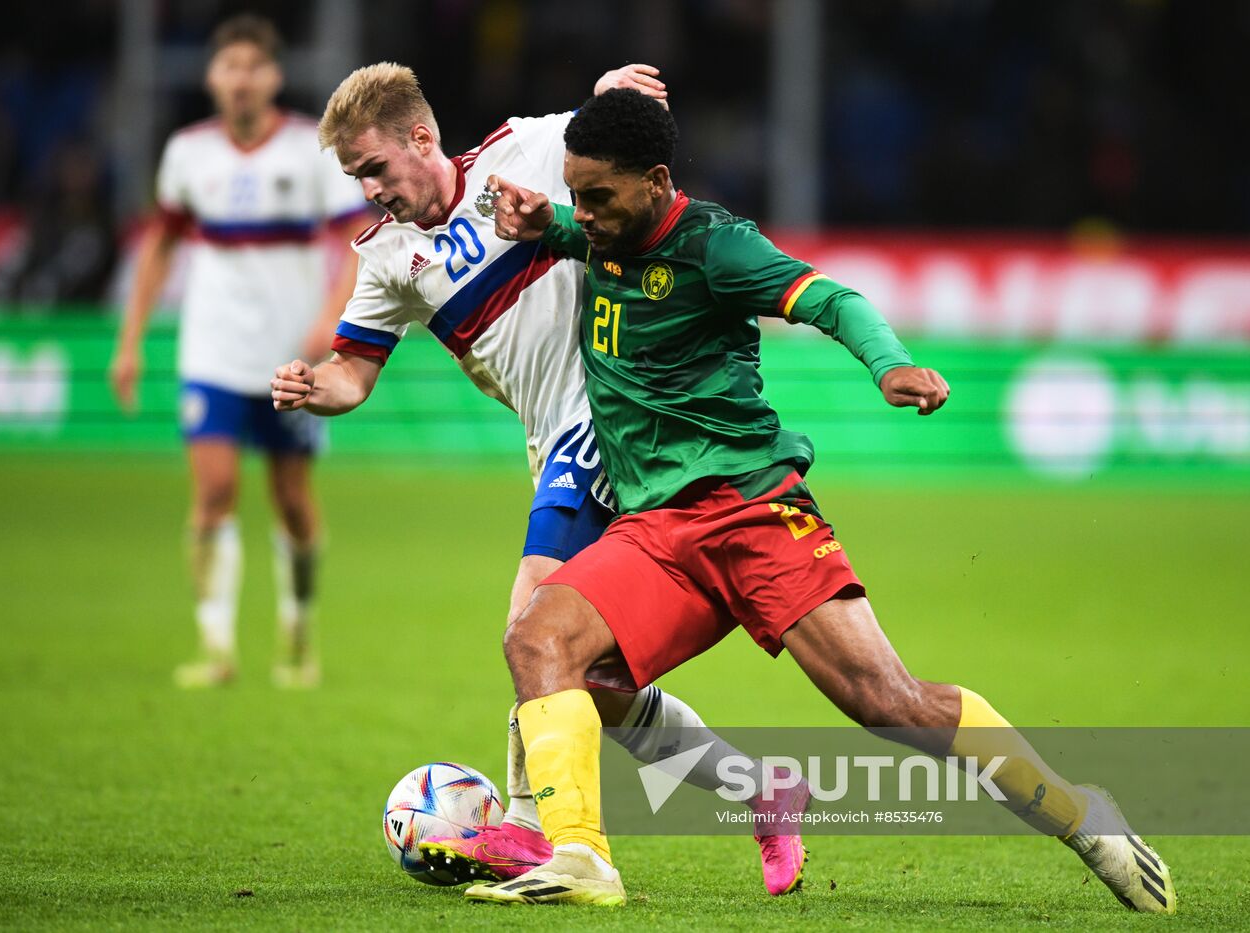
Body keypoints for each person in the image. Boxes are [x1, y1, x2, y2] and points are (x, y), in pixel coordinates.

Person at [467, 88, 1177, 911]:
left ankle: (1080, 814)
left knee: (890, 703)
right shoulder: (604, 231)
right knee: (541, 642)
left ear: (657, 181)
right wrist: (543, 221)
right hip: (656, 530)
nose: (582, 213)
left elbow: (833, 299)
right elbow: (581, 228)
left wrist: (890, 365)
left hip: (751, 514)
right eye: (573, 193)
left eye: (596, 197)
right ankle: (581, 856)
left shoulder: (719, 248)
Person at [270, 63, 811, 896]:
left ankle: (529, 825)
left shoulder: (521, 150)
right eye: (356, 178)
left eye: (375, 167)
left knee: (531, 620)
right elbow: (354, 371)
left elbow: (600, 139)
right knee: (593, 681)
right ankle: (763, 792)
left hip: (602, 415)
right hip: (549, 444)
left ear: (423, 138)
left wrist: (604, 92)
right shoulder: (385, 258)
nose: (372, 190)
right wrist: (317, 385)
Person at [110, 14, 370, 689]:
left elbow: (357, 239)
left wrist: (332, 318)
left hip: (291, 359)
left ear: (275, 77)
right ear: (212, 77)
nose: (243, 79)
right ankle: (216, 644)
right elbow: (160, 247)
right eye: (231, 67)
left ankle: (297, 630)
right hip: (213, 352)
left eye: (255, 66)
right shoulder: (188, 153)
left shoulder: (310, 150)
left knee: (291, 500)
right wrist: (130, 341)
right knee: (215, 490)